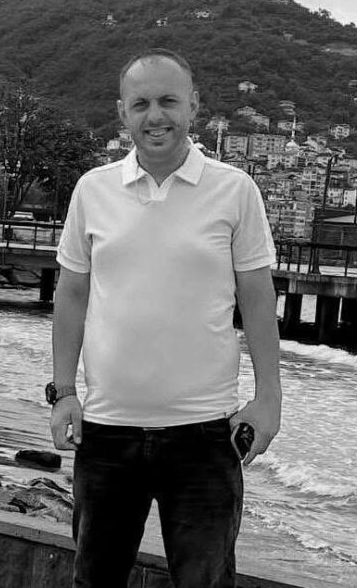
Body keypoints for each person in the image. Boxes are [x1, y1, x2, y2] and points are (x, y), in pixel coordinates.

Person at [49, 48, 282, 588]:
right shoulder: (93, 189)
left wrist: (268, 399)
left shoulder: (234, 189)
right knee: (94, 581)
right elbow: (72, 294)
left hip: (205, 436)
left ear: (194, 106)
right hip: (106, 432)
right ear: (122, 112)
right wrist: (63, 392)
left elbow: (257, 298)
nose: (155, 116)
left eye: (169, 101)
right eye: (141, 104)